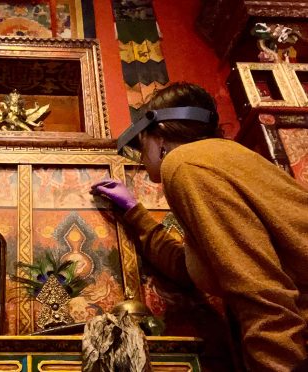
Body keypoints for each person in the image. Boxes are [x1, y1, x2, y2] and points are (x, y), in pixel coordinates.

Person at [90, 82, 308, 372]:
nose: (142, 159)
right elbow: (190, 268)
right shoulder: (222, 156)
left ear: (160, 135)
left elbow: (260, 290)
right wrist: (133, 212)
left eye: (140, 145)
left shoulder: (184, 164)